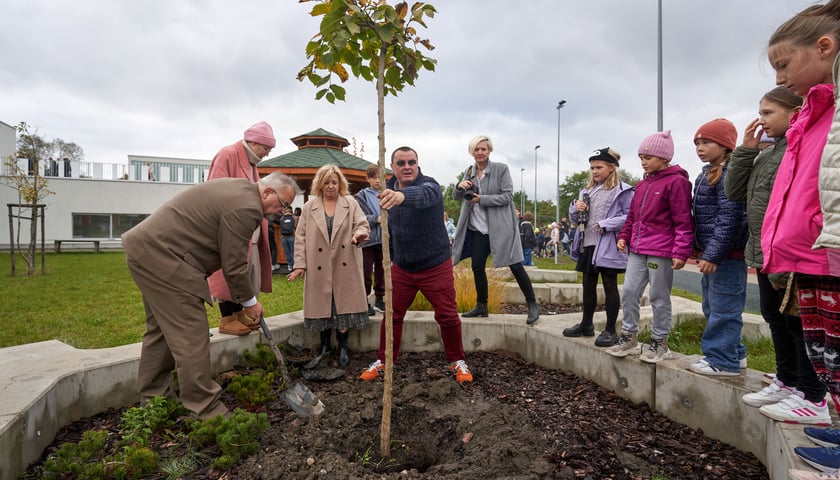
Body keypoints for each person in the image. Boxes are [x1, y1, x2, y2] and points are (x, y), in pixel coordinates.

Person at [122, 172, 299, 419]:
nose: (282, 211)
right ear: (268, 192)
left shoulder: (239, 190)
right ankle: (205, 409)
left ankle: (154, 399)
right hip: (167, 259)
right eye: (282, 203)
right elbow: (234, 264)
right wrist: (250, 303)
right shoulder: (247, 207)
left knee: (160, 331)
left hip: (149, 251)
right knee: (191, 333)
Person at [752, 3, 840, 474]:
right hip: (809, 255)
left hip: (829, 252)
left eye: (784, 65)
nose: (780, 77)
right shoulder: (815, 111)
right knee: (826, 350)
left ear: (824, 48)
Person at [726, 87, 828, 424]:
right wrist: (746, 150)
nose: (761, 120)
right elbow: (734, 191)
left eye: (768, 113)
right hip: (766, 250)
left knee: (797, 322)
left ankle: (811, 394)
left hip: (793, 251)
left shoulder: (798, 146)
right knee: (775, 317)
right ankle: (787, 381)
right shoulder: (768, 153)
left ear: (793, 111)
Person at [359, 146, 473, 383]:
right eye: (401, 163)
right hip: (403, 267)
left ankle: (456, 361)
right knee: (391, 315)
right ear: (393, 167)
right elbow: (386, 226)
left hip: (435, 265)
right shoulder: (386, 190)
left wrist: (402, 197)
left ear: (418, 164)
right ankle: (385, 361)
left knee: (447, 316)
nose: (407, 166)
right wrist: (384, 252)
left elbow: (425, 196)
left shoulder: (429, 185)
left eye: (411, 162)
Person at [606, 131, 694, 362]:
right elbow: (632, 216)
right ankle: (629, 336)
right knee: (629, 292)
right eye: (641, 157)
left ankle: (660, 341)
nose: (643, 161)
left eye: (648, 156)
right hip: (637, 250)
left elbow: (683, 220)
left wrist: (681, 251)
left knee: (658, 296)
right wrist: (624, 235)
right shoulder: (643, 184)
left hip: (660, 251)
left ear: (664, 157)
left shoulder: (677, 182)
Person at [451, 135, 539, 325]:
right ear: (472, 152)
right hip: (477, 228)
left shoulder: (501, 169)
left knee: (515, 265)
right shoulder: (469, 171)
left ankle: (532, 304)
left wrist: (481, 199)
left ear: (489, 150)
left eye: (483, 149)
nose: (480, 152)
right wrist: (459, 186)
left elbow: (507, 197)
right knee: (477, 266)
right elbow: (456, 196)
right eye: (476, 149)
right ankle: (482, 305)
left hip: (500, 227)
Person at [288, 164, 370, 367]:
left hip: (345, 261)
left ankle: (343, 346)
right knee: (323, 304)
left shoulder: (350, 203)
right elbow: (301, 237)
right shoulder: (309, 207)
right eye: (327, 182)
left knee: (343, 304)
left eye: (334, 182)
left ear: (340, 184)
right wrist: (300, 264)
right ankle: (324, 346)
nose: (331, 186)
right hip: (319, 264)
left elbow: (362, 224)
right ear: (320, 184)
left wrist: (360, 234)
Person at [685, 118, 749, 376]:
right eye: (697, 143)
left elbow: (730, 218)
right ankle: (735, 354)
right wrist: (699, 247)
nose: (700, 147)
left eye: (707, 142)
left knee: (724, 308)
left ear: (725, 146)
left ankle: (722, 362)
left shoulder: (730, 173)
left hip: (727, 256)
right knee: (713, 306)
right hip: (714, 253)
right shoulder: (707, 172)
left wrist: (713, 254)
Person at [205, 121, 277, 335]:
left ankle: (237, 314)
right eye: (266, 148)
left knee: (244, 270)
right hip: (229, 229)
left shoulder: (251, 163)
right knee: (229, 269)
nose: (267, 153)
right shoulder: (227, 155)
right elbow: (215, 192)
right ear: (254, 142)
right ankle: (227, 317)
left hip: (247, 233)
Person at [563, 148, 633, 347]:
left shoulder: (622, 190)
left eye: (599, 167)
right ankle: (586, 324)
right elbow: (575, 219)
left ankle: (611, 329)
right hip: (588, 243)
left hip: (608, 244)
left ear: (611, 168)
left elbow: (630, 217)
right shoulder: (586, 191)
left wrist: (606, 224)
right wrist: (574, 208)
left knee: (610, 284)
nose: (594, 171)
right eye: (592, 167)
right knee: (587, 284)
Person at [355, 164, 386, 316]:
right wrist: (376, 219)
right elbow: (360, 217)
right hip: (368, 240)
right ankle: (364, 301)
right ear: (367, 179)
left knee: (382, 271)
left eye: (380, 178)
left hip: (384, 241)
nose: (377, 181)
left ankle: (380, 298)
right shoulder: (361, 196)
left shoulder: (387, 194)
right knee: (366, 271)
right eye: (374, 178)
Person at [277, 207, 297, 272]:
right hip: (291, 236)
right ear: (291, 211)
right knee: (293, 251)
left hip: (283, 237)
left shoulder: (282, 218)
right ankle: (295, 265)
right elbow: (296, 225)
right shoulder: (294, 218)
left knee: (287, 252)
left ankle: (289, 266)